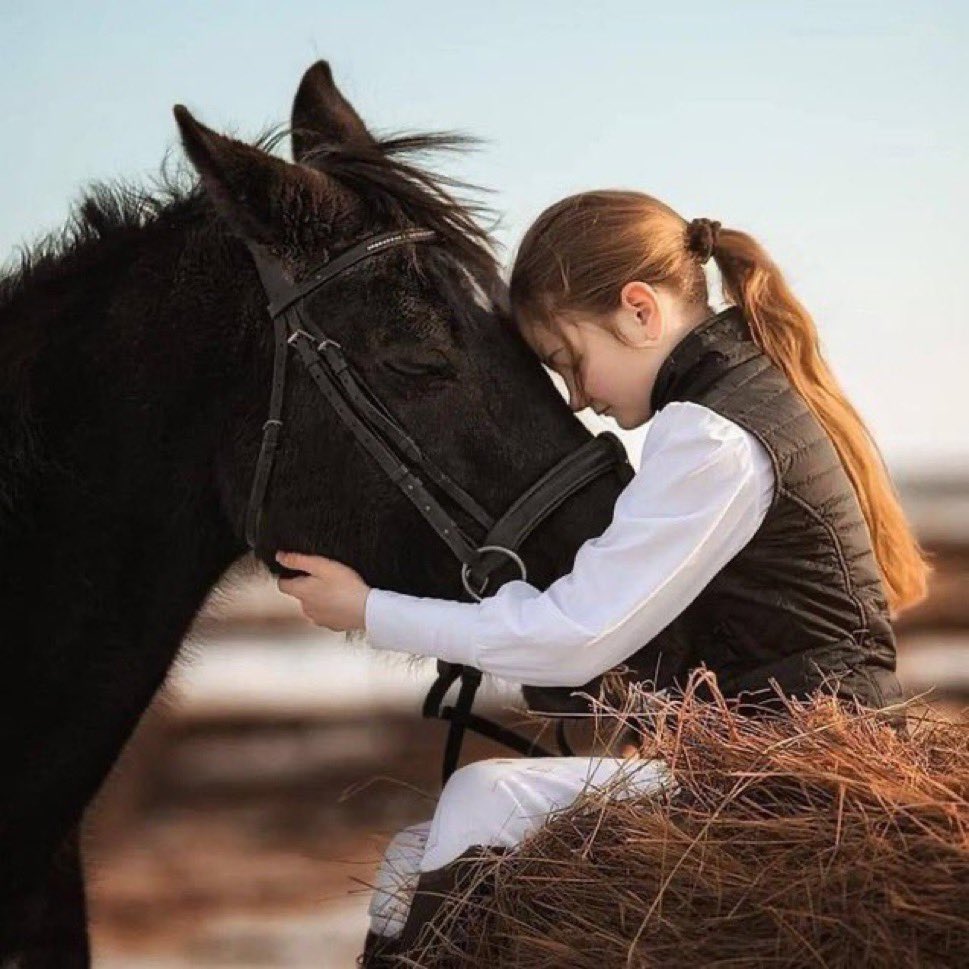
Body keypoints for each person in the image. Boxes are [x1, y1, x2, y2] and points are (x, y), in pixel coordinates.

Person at [274, 191, 930, 960]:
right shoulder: (739, 400)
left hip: (800, 780)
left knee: (483, 797)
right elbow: (601, 617)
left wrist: (367, 608)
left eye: (568, 362)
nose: (580, 399)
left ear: (639, 312)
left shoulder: (709, 437)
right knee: (409, 859)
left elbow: (572, 637)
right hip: (779, 761)